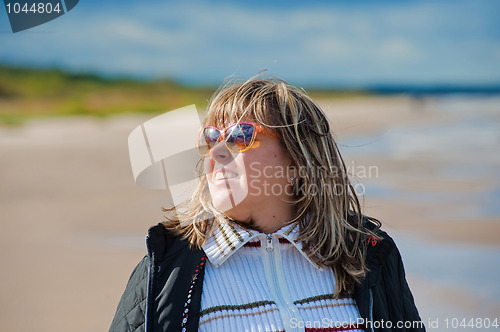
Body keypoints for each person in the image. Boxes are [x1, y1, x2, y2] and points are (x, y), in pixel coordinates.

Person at [109, 77, 425, 332]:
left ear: (299, 162)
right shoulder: (166, 270)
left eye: (240, 135)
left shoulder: (367, 256)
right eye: (211, 137)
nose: (218, 151)